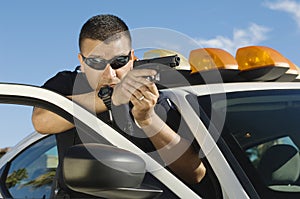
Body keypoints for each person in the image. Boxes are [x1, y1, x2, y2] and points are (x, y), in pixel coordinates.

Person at [32, 14, 206, 196]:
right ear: (81, 61)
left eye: (119, 62)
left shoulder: (152, 95)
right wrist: (110, 99)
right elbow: (41, 121)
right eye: (96, 62)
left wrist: (148, 119)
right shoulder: (66, 84)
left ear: (132, 57)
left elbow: (196, 174)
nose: (110, 74)